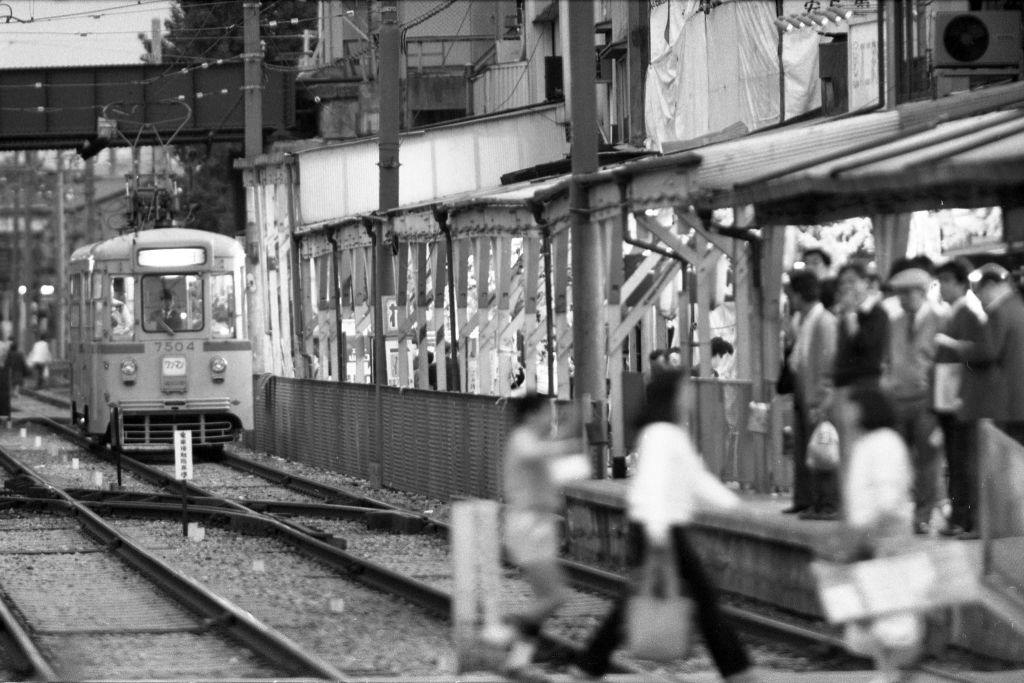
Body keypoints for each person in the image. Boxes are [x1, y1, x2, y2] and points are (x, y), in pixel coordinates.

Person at [576, 369, 759, 682]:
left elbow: (695, 480)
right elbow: (656, 486)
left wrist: (736, 508)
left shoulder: (667, 432)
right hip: (658, 529)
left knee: (664, 598)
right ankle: (737, 670)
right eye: (685, 389)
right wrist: (659, 535)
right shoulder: (662, 433)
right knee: (698, 598)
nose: (689, 396)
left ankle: (589, 664)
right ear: (672, 394)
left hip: (657, 527)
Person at [834, 385, 923, 680]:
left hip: (885, 539)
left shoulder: (884, 443)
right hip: (872, 539)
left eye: (851, 406)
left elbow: (887, 498)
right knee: (882, 620)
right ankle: (889, 673)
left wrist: (869, 534)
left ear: (865, 409)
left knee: (891, 621)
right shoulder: (868, 443)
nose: (845, 413)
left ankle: (894, 673)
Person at [499, 392, 587, 675]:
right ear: (531, 414)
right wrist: (569, 442)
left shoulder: (534, 439)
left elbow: (548, 460)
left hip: (537, 524)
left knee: (544, 599)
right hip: (528, 525)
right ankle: (507, 631)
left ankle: (518, 661)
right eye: (546, 412)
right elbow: (535, 454)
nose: (550, 417)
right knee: (557, 596)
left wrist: (569, 432)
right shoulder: (522, 438)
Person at [881, 265, 945, 535]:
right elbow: (886, 360)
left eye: (908, 293)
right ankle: (904, 511)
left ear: (922, 292)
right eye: (899, 294)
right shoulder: (894, 324)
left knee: (927, 460)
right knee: (899, 460)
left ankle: (923, 514)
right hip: (898, 398)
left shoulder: (941, 320)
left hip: (926, 400)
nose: (903, 299)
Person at [937, 263, 1024, 447]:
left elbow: (987, 352)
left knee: (1006, 459)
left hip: (1005, 400)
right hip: (1018, 398)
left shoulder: (999, 311)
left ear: (991, 286)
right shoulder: (1017, 306)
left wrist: (958, 346)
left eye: (980, 293)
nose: (981, 301)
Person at [830, 261, 890, 517]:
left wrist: (852, 315)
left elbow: (866, 346)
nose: (847, 288)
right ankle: (850, 507)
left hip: (864, 387)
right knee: (845, 449)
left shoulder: (877, 313)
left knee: (859, 450)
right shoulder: (844, 316)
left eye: (853, 281)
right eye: (843, 283)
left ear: (867, 283)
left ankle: (861, 510)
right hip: (843, 386)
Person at [933, 258, 985, 540]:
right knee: (955, 462)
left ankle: (965, 519)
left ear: (961, 284)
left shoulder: (969, 312)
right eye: (940, 281)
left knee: (962, 462)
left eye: (947, 281)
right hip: (949, 397)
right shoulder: (953, 312)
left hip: (959, 399)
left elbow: (975, 354)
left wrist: (947, 343)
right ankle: (959, 518)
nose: (942, 287)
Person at [783, 269, 838, 519]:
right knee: (806, 449)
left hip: (817, 395)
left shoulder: (824, 321)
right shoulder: (802, 321)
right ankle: (806, 499)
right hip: (802, 392)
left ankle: (826, 503)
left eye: (791, 294)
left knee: (822, 449)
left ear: (798, 294)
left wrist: (822, 398)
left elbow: (828, 364)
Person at [802, 246, 837, 310]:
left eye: (815, 263)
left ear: (827, 266)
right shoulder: (803, 292)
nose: (809, 267)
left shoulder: (835, 290)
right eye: (806, 263)